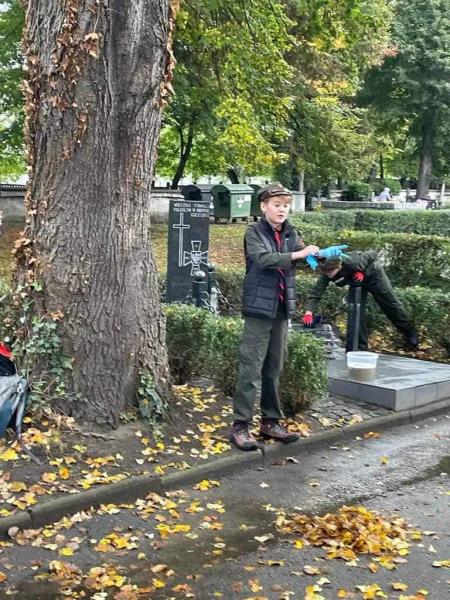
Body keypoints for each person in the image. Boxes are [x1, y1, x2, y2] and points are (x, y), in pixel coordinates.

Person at [229, 183, 346, 451]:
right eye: (276, 205)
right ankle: (240, 426)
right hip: (259, 308)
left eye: (285, 205)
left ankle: (270, 421)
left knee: (274, 367)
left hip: (282, 308)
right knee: (250, 367)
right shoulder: (254, 232)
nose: (282, 210)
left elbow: (305, 259)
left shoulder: (292, 232)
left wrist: (324, 256)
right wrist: (299, 254)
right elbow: (264, 259)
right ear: (264, 207)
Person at [302, 251, 418, 353]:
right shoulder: (326, 273)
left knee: (391, 305)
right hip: (356, 282)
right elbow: (316, 292)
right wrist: (308, 312)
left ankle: (410, 334)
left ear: (339, 266)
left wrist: (361, 268)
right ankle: (357, 349)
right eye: (325, 271)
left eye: (330, 271)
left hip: (373, 275)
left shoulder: (353, 261)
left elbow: (372, 254)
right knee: (355, 313)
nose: (328, 274)